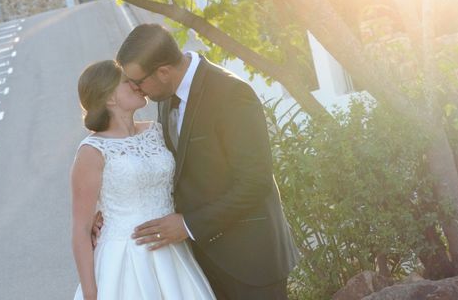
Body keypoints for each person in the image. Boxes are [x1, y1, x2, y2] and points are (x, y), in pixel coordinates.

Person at [115, 24, 300, 300]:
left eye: (137, 82)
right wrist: (113, 208)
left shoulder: (232, 93)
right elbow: (174, 171)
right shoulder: (164, 95)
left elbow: (255, 182)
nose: (134, 89)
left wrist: (189, 225)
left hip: (251, 262)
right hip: (202, 263)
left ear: (163, 71)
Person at [71, 60, 215, 300]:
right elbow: (80, 230)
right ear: (109, 98)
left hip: (174, 251)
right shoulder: (91, 151)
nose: (138, 85)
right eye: (127, 82)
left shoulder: (156, 131)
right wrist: (90, 294)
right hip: (125, 260)